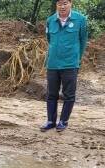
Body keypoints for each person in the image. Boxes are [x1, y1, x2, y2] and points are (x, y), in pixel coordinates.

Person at [40, 0, 88, 132]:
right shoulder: (50, 20)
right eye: (59, 3)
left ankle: (63, 121)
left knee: (69, 94)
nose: (62, 6)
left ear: (71, 3)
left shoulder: (80, 19)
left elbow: (83, 40)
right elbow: (49, 39)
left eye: (65, 3)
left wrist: (77, 58)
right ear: (56, 5)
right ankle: (50, 121)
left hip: (70, 63)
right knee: (51, 94)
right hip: (53, 63)